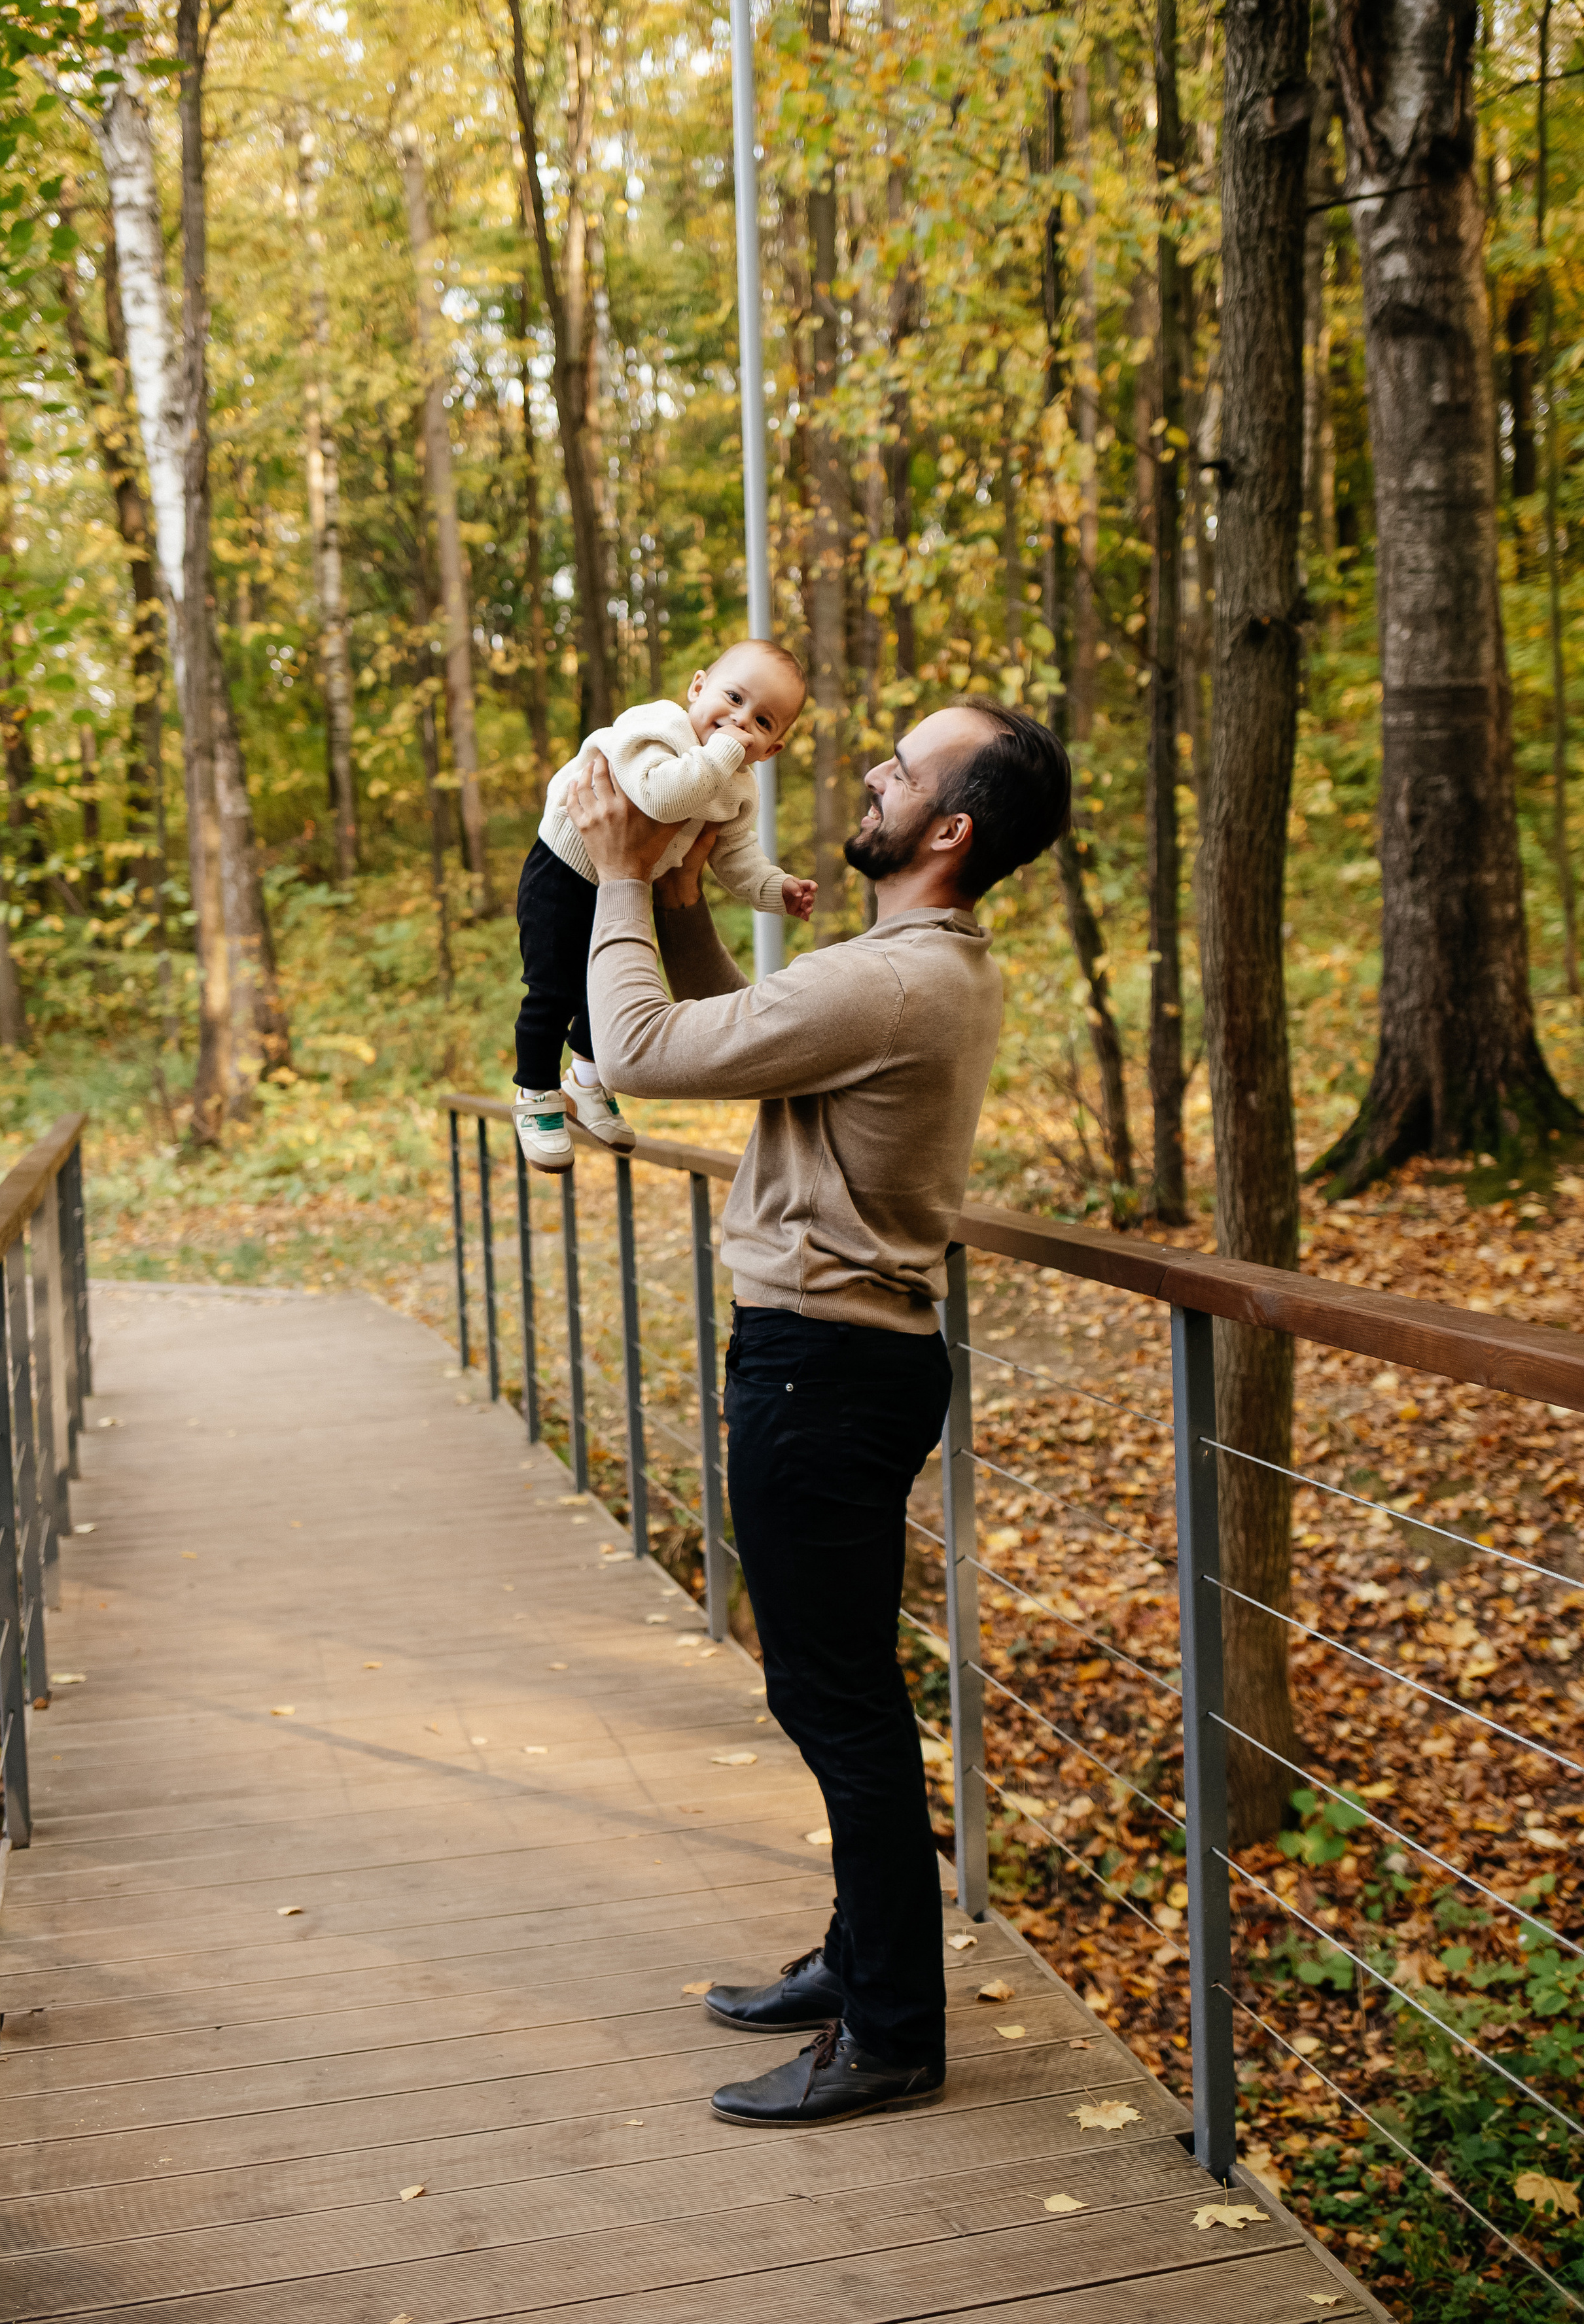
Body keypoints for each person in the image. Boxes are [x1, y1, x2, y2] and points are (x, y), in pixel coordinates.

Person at [563, 697, 1071, 2128]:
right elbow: (735, 1025)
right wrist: (670, 893)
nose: (868, 770)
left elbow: (651, 1051)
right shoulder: (906, 967)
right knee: (837, 1687)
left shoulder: (895, 982)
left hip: (821, 1368)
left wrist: (610, 871)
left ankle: (894, 2027)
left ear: (949, 827)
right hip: (840, 1362)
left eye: (899, 767)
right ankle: (860, 1961)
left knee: (833, 1699)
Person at [510, 640, 816, 1172]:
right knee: (554, 988)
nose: (740, 722)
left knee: (605, 988)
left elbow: (735, 854)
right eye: (734, 698)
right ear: (698, 687)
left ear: (771, 751)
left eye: (762, 722)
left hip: (623, 885)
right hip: (563, 867)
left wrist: (776, 888)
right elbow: (660, 798)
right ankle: (536, 1095)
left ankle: (586, 1081)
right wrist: (723, 753)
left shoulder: (737, 788)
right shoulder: (657, 727)